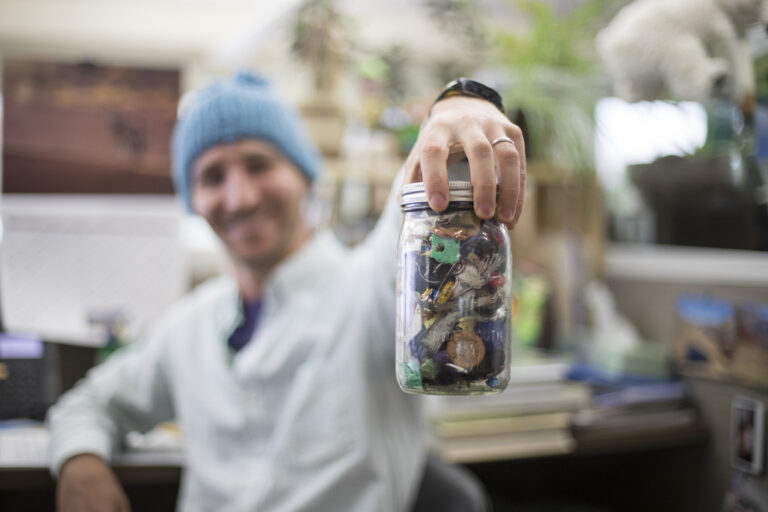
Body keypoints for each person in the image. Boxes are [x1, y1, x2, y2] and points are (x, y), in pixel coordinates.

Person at [47, 71, 525, 512]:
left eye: (259, 165)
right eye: (212, 176)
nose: (240, 197)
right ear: (193, 200)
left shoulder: (373, 291)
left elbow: (415, 198)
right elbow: (88, 404)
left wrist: (457, 105)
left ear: (305, 174)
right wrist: (80, 464)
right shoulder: (188, 326)